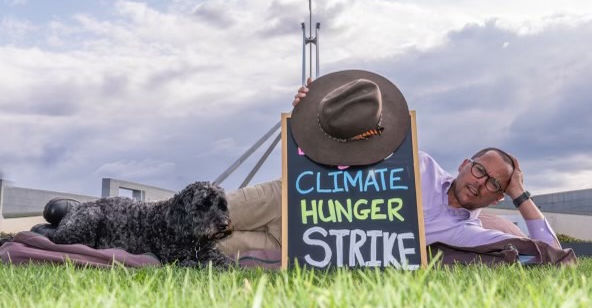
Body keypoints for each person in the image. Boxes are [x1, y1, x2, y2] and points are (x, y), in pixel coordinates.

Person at [216, 70, 560, 258]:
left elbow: (553, 255)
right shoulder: (417, 162)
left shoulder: (464, 231)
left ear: (498, 197)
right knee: (194, 214)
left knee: (201, 250)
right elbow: (348, 136)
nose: (480, 182)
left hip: (307, 245)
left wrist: (520, 194)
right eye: (480, 170)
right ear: (464, 164)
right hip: (291, 197)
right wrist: (311, 112)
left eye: (495, 185)